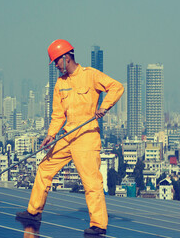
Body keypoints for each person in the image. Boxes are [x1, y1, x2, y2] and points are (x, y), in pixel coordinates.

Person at [16, 39, 124, 235]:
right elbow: (58, 114)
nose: (56, 66)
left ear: (66, 58)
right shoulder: (60, 83)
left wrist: (104, 106)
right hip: (67, 135)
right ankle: (33, 212)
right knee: (44, 168)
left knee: (91, 181)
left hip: (87, 136)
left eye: (56, 62)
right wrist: (51, 134)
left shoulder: (91, 75)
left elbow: (116, 87)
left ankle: (98, 224)